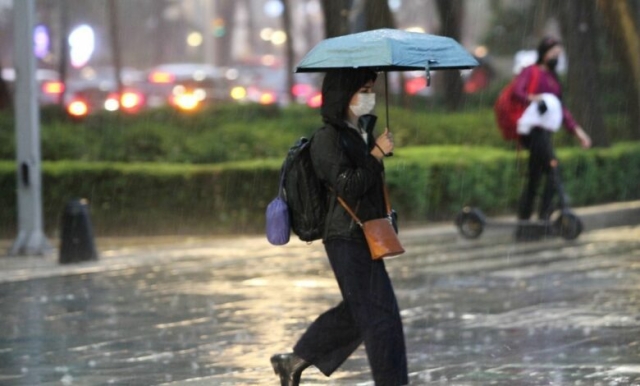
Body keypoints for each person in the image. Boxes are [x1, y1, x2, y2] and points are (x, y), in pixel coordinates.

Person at [270, 68, 408, 385]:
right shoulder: (327, 139)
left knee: (364, 312)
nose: (369, 97)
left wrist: (373, 150)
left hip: (365, 233)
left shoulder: (356, 133)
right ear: (343, 95)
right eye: (363, 90)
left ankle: (294, 361)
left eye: (372, 90)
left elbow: (368, 183)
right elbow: (347, 186)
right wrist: (375, 155)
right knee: (380, 318)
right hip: (345, 237)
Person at [512, 37, 591, 236]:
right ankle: (543, 218)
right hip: (532, 131)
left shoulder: (554, 80)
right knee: (554, 168)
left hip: (545, 132)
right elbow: (517, 92)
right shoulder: (531, 71)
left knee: (535, 177)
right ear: (544, 53)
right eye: (552, 53)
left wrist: (579, 133)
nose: (556, 57)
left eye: (558, 54)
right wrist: (535, 99)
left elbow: (562, 110)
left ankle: (526, 224)